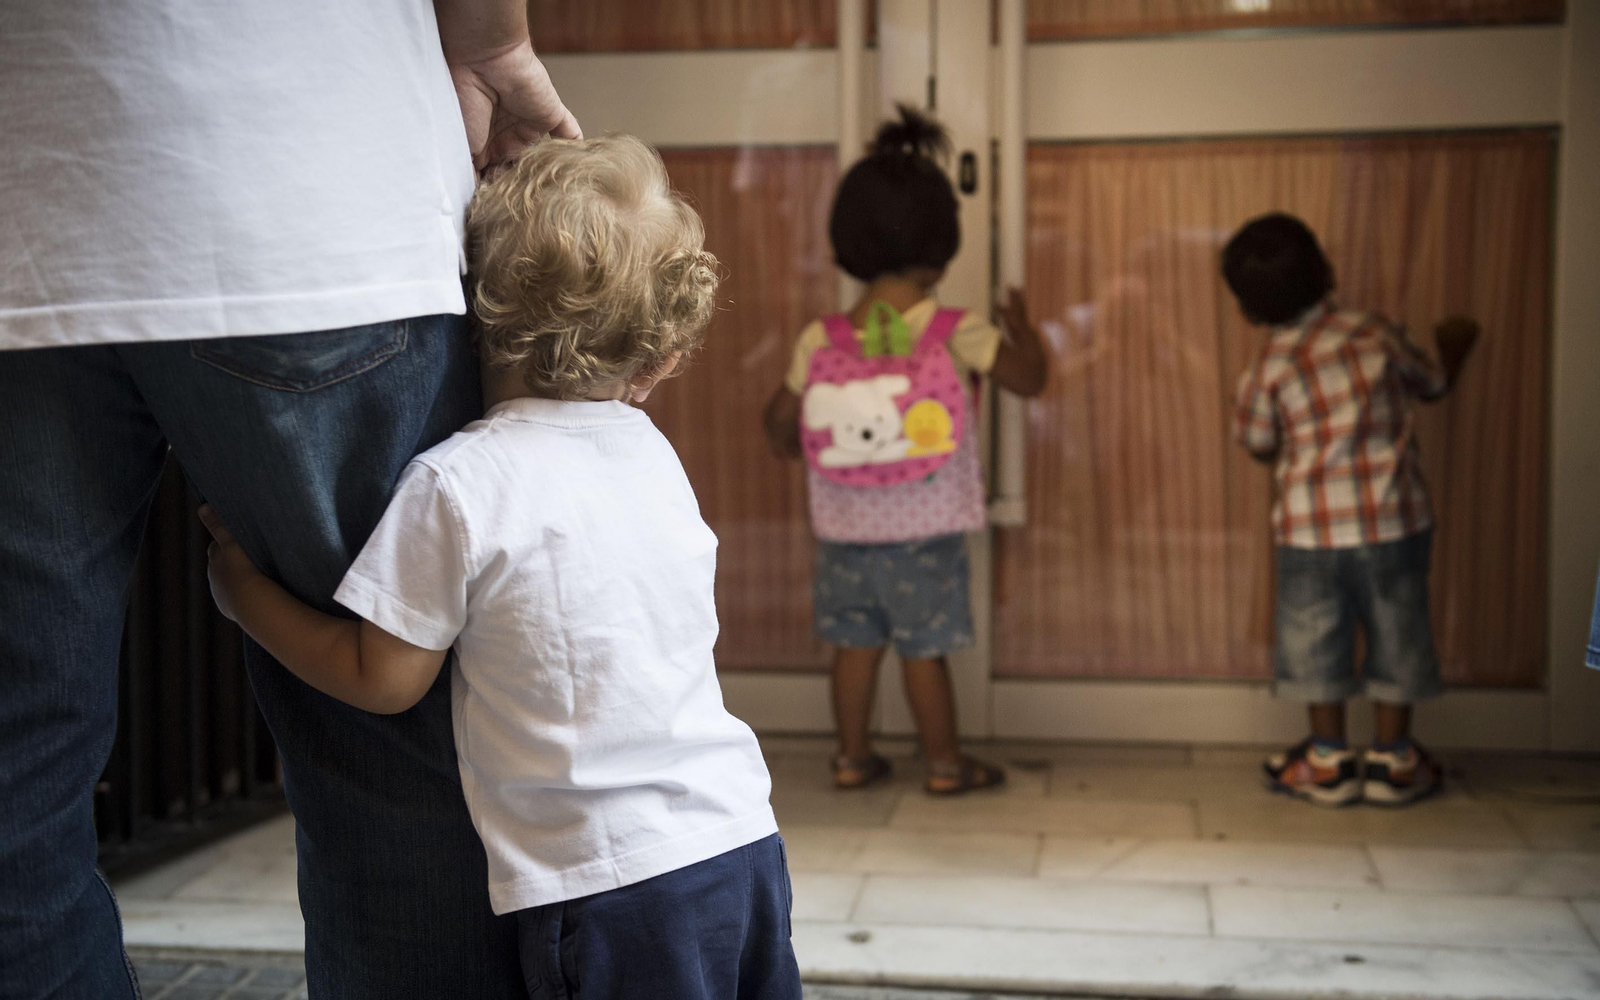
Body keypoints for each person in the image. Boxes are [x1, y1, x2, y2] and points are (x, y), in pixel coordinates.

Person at [0, 2, 577, 997]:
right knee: (400, 768)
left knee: (17, 765)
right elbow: (384, 676)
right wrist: (495, 43)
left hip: (25, 215)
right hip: (304, 197)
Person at [199, 134, 799, 1000]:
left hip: (610, 883)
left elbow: (383, 678)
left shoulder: (458, 482)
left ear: (475, 312)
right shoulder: (651, 454)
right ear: (655, 360)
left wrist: (245, 595)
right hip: (738, 839)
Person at [763, 106, 1049, 795]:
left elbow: (781, 425)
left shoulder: (822, 339)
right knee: (924, 651)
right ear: (941, 246)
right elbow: (1028, 381)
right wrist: (1025, 331)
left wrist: (799, 434)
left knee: (853, 646)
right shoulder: (955, 330)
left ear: (847, 243)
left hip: (844, 529)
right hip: (927, 531)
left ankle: (851, 758)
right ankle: (946, 766)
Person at [1225, 213, 1478, 808]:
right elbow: (1429, 383)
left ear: (1249, 305)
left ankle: (1327, 759)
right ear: (1323, 268)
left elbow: (1257, 441)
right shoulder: (1377, 333)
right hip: (1394, 521)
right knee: (1398, 632)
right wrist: (1451, 361)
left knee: (1314, 639)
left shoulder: (1268, 365)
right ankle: (1394, 760)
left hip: (1310, 531)